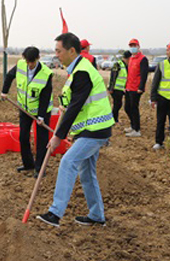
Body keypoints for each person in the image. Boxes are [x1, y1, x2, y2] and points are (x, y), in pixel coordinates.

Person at [36, 32, 114, 228]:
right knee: (86, 173)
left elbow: (75, 107)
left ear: (72, 50)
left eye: (59, 51)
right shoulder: (78, 70)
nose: (57, 55)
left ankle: (55, 213)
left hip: (95, 130)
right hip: (90, 129)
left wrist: (57, 137)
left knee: (68, 162)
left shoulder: (82, 73)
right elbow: (72, 104)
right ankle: (97, 215)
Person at [1, 46, 53, 178]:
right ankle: (28, 164)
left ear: (37, 59)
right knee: (23, 137)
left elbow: (45, 96)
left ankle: (40, 168)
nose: (30, 65)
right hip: (24, 109)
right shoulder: (21, 65)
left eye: (32, 62)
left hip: (41, 111)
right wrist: (4, 91)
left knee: (41, 140)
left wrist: (41, 116)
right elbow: (9, 76)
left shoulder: (46, 73)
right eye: (28, 61)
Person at [124, 39, 149, 137]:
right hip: (129, 87)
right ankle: (133, 125)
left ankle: (137, 129)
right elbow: (129, 74)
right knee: (127, 108)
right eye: (131, 45)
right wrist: (126, 86)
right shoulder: (131, 58)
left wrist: (141, 87)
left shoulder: (143, 59)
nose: (132, 47)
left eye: (134, 45)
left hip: (136, 88)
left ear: (138, 46)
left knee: (134, 108)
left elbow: (144, 74)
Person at [108, 51, 131, 124]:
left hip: (121, 89)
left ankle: (114, 119)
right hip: (115, 89)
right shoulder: (118, 64)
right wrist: (111, 88)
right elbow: (113, 76)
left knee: (118, 104)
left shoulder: (125, 66)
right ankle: (114, 119)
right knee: (117, 104)